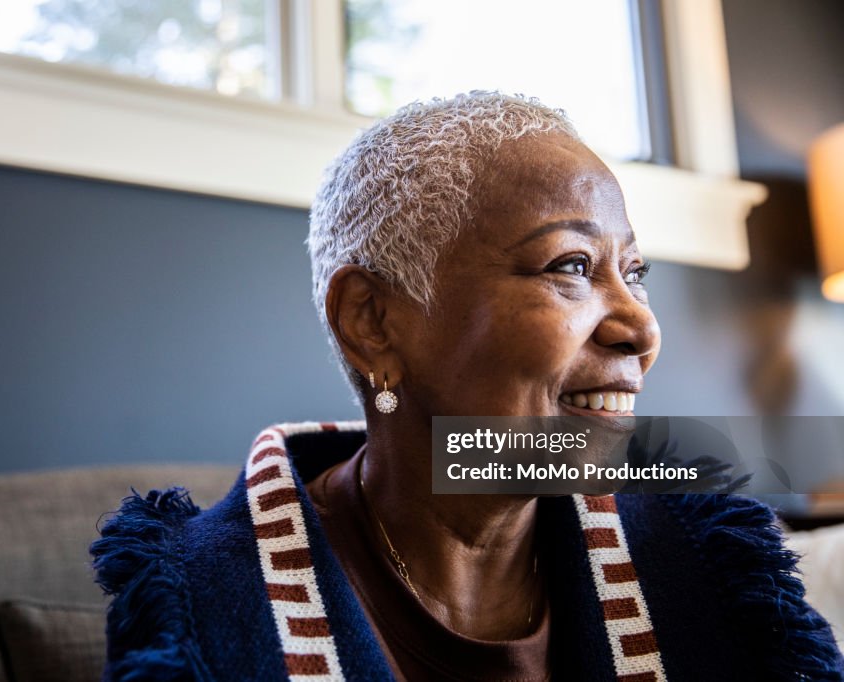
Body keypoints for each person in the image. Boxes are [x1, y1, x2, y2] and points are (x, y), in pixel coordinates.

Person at [91, 92, 844, 681]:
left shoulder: (705, 565)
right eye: (572, 266)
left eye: (635, 274)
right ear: (373, 321)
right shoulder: (203, 609)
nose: (641, 330)